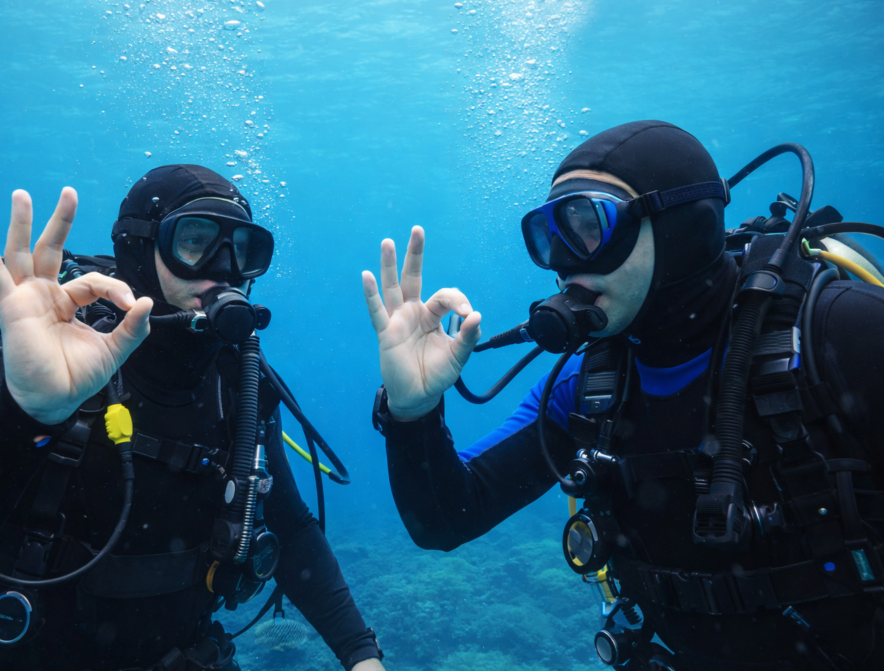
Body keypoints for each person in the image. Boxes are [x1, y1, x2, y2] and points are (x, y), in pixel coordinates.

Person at [362, 121, 884, 670]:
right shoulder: (586, 389)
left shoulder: (841, 337)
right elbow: (446, 518)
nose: (564, 261)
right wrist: (413, 414)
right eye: (547, 235)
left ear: (682, 228)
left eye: (588, 226)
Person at [0, 165, 386, 671]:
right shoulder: (35, 363)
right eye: (195, 241)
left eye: (244, 250)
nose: (225, 270)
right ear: (139, 248)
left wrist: (361, 654)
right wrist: (22, 414)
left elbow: (290, 527)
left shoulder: (240, 384)